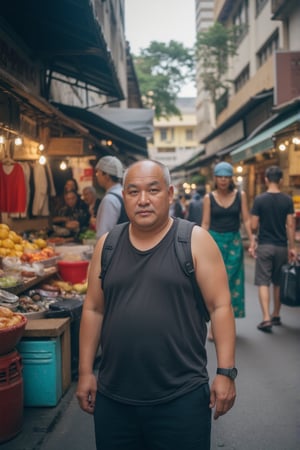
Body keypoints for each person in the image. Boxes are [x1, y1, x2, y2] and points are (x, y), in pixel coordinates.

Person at [76, 159, 237, 450]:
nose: (143, 200)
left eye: (153, 190)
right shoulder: (107, 245)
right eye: (134, 192)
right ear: (124, 196)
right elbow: (93, 309)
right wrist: (86, 372)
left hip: (182, 398)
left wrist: (226, 373)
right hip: (114, 399)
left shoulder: (194, 240)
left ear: (170, 194)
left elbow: (220, 307)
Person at [201, 161, 255, 340]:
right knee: (214, 285)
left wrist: (252, 239)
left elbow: (246, 220)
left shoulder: (241, 195)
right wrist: (199, 245)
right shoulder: (209, 198)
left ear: (231, 178)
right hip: (214, 242)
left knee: (232, 285)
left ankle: (227, 325)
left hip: (234, 242)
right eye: (220, 177)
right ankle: (213, 326)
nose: (223, 180)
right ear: (215, 179)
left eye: (226, 177)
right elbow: (206, 224)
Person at [250, 165, 296, 332]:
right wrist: (292, 247)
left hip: (265, 246)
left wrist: (254, 239)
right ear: (282, 180)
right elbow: (290, 225)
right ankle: (276, 314)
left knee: (263, 281)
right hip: (281, 246)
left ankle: (266, 318)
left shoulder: (259, 199)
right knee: (278, 282)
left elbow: (254, 225)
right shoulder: (287, 200)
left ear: (266, 179)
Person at [95, 156, 128, 239]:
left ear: (106, 175)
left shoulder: (110, 200)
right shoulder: (124, 193)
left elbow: (104, 235)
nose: (97, 176)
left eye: (98, 173)